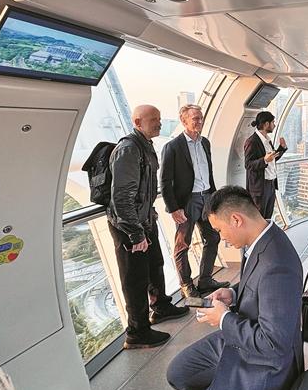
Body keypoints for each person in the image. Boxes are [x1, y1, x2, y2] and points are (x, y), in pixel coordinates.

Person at [166, 186, 303, 390]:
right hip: (241, 338)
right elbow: (261, 285)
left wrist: (223, 319)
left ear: (236, 220)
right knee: (178, 373)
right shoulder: (263, 240)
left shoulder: (278, 264)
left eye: (219, 230)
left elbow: (274, 344)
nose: (222, 238)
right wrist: (233, 293)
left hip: (263, 366)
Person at [108, 105, 189, 349]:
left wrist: (149, 216)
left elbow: (143, 189)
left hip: (144, 220)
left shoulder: (145, 145)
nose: (159, 123)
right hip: (129, 227)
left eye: (159, 118)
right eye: (154, 119)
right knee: (135, 279)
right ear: (137, 122)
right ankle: (137, 332)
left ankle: (160, 306)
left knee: (155, 265)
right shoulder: (128, 149)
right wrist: (135, 234)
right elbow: (121, 197)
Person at [161, 104, 229, 299]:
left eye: (201, 117)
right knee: (183, 244)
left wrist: (214, 199)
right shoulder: (173, 147)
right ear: (184, 121)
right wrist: (173, 208)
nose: (200, 121)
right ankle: (186, 285)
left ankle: (205, 279)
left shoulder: (205, 143)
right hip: (187, 201)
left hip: (207, 197)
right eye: (195, 118)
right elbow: (165, 181)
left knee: (213, 238)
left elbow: (208, 172)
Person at [244, 111, 288, 219]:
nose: (274, 125)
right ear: (266, 124)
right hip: (260, 187)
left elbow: (271, 159)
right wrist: (264, 160)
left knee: (268, 216)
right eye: (273, 122)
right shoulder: (252, 141)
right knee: (259, 218)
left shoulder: (267, 140)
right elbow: (248, 164)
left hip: (270, 183)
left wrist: (281, 148)